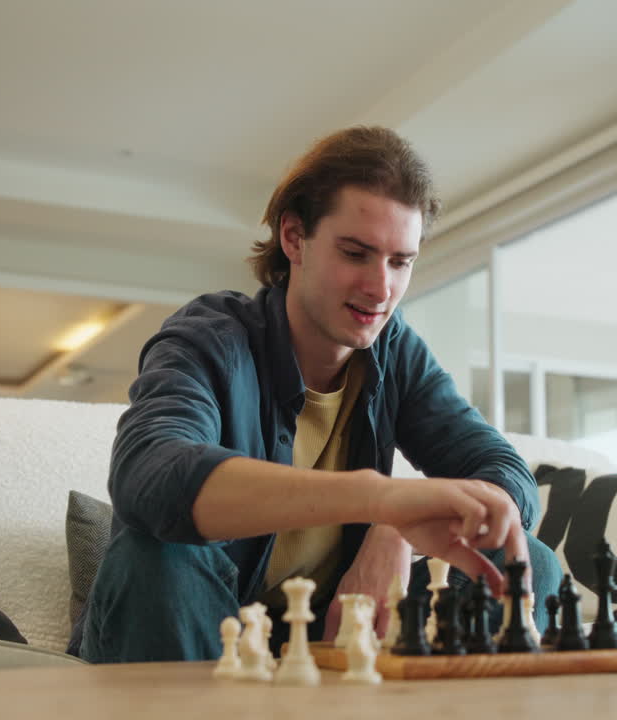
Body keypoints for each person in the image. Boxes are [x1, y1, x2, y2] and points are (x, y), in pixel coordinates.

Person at [74, 126, 561, 663]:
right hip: (202, 631)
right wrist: (382, 499)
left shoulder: (395, 352)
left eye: (401, 262)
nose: (381, 289)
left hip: (327, 644)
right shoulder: (209, 337)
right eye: (356, 253)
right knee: (158, 556)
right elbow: (149, 475)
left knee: (529, 562)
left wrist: (396, 530)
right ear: (293, 237)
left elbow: (504, 474)